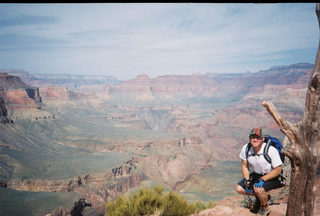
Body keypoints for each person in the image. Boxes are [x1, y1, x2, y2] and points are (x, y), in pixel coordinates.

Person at [236, 128, 283, 215]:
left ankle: (265, 207)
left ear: (263, 138)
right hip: (256, 175)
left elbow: (278, 169)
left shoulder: (270, 150)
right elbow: (244, 166)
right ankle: (263, 197)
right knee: (239, 188)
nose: (255, 139)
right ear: (249, 138)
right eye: (253, 137)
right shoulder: (246, 148)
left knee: (258, 189)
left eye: (258, 137)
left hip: (272, 176)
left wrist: (263, 179)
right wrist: (246, 179)